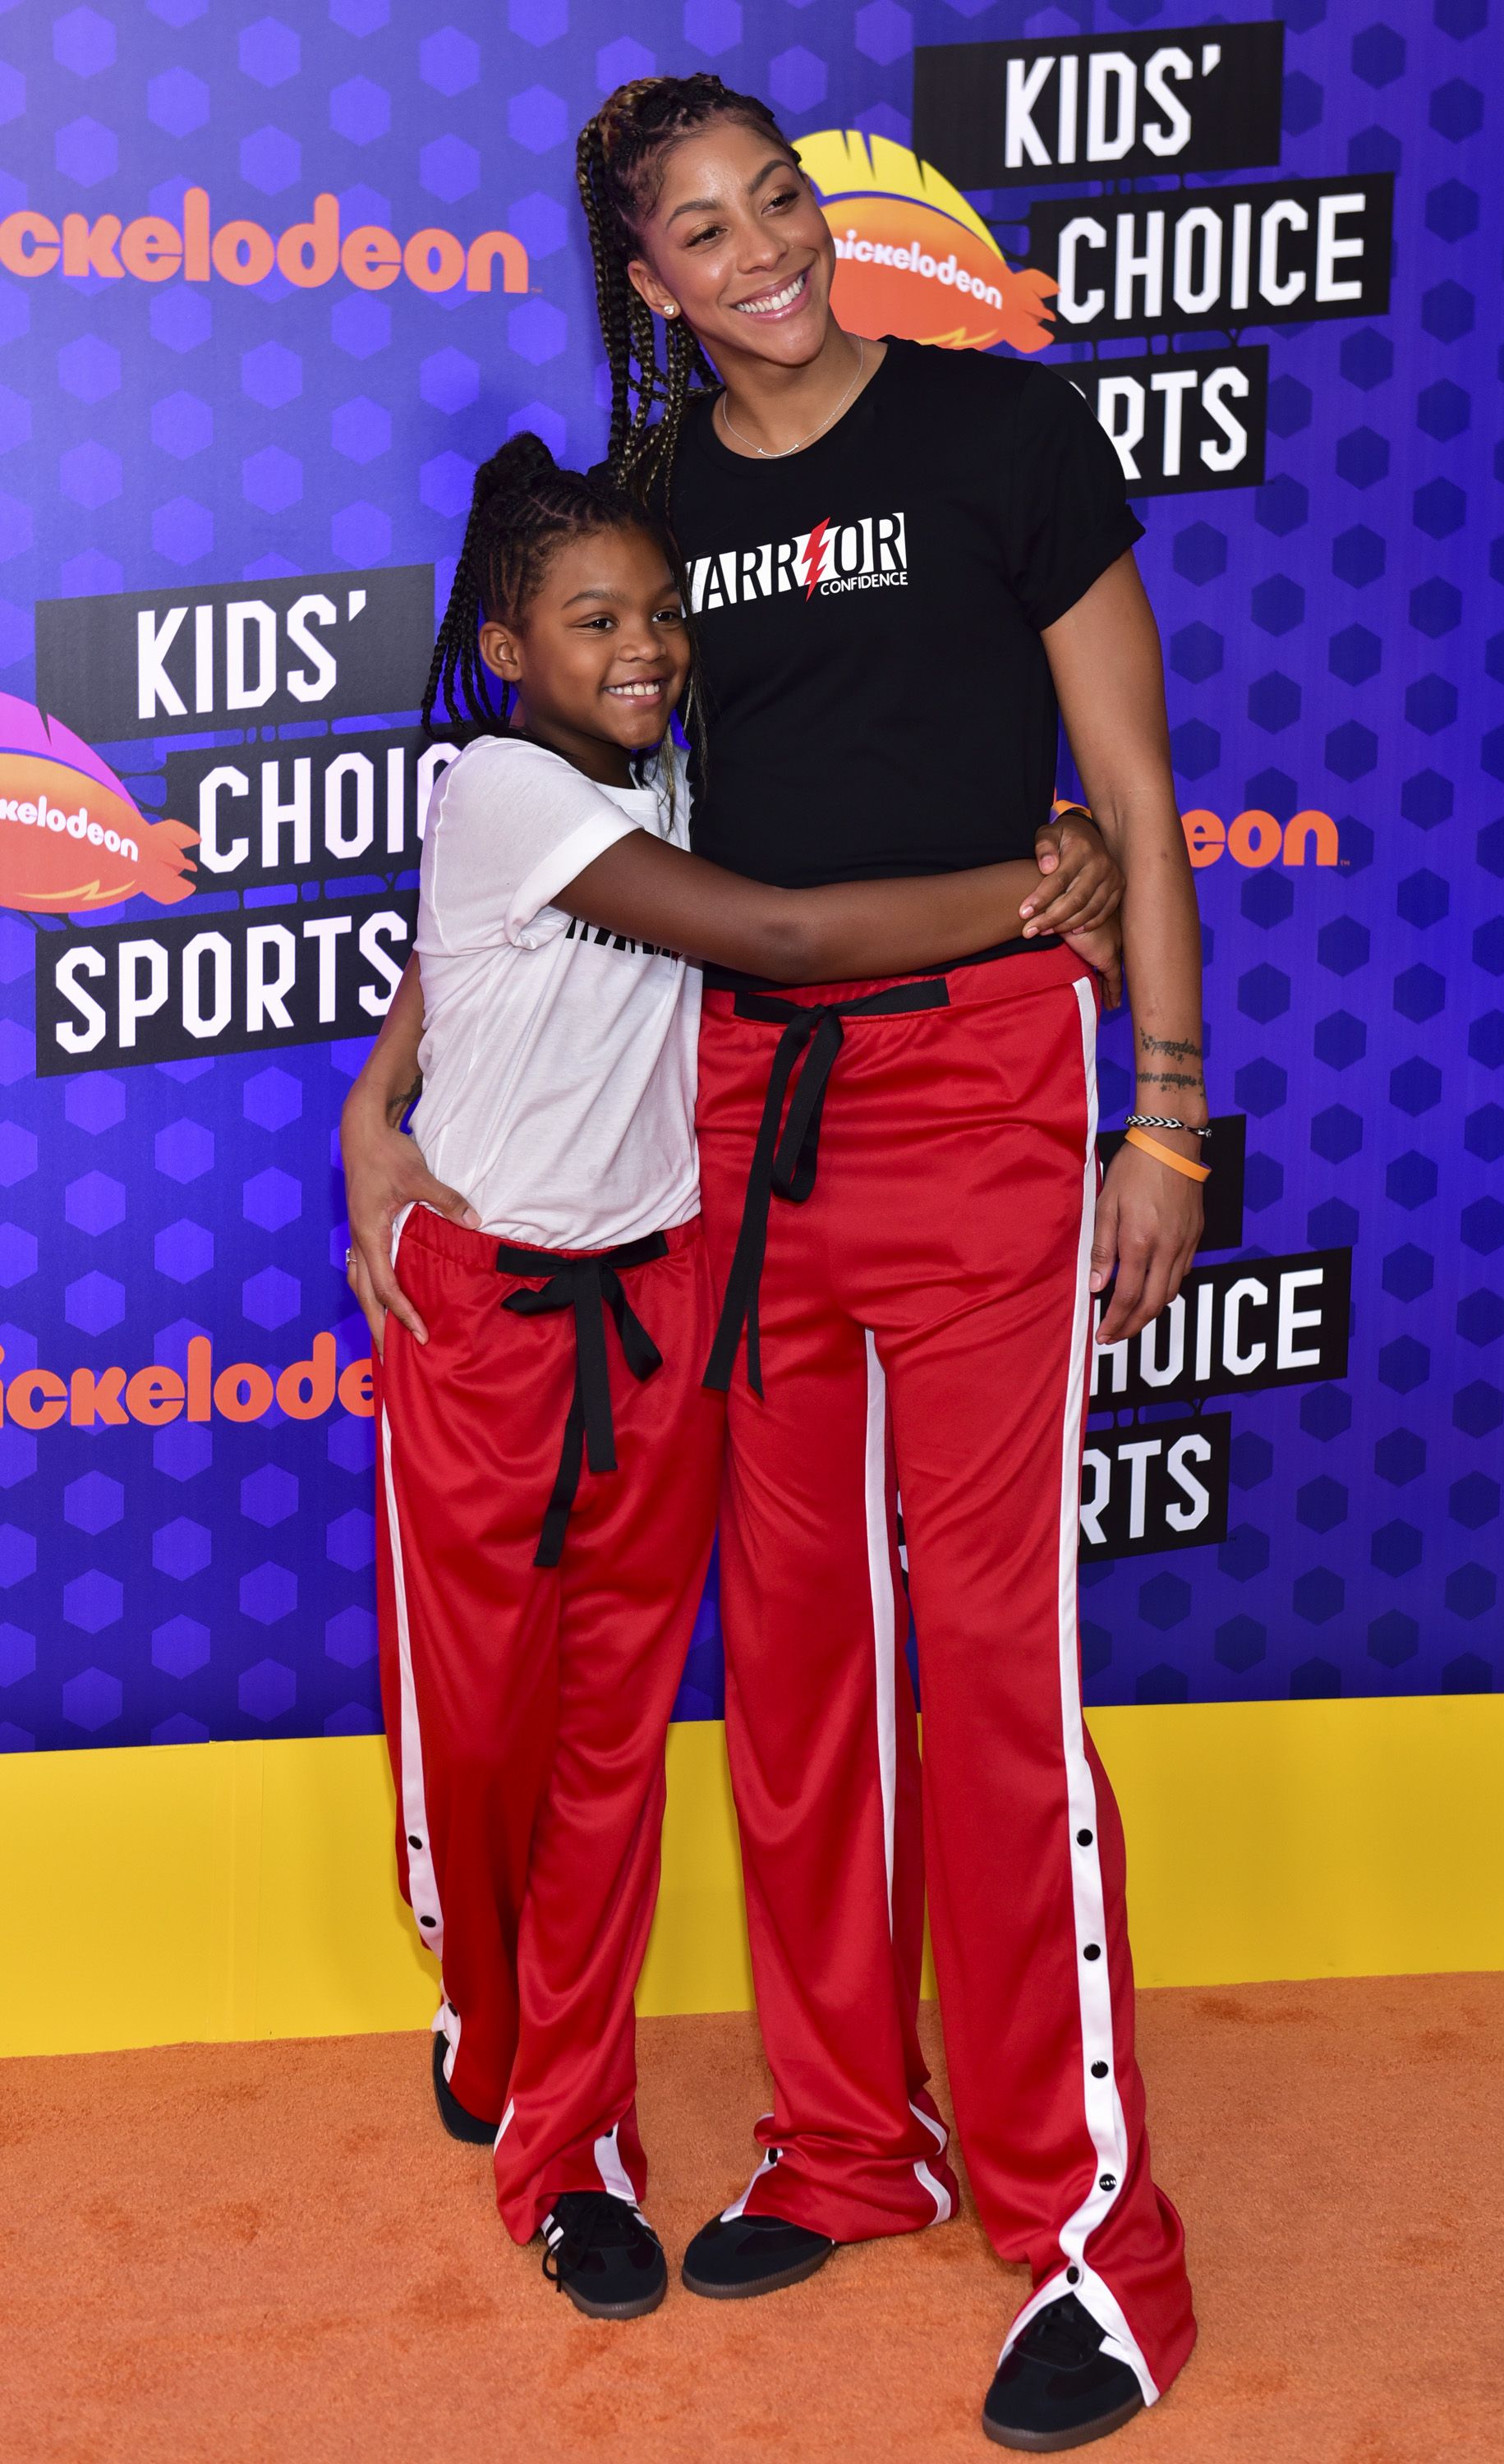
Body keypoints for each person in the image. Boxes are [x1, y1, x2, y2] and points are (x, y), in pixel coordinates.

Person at [347, 68, 1207, 2453]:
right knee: (798, 1673)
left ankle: (1088, 2240)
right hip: (721, 1134)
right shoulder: (642, 526)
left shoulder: (1002, 439)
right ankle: (850, 2136)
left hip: (983, 1102)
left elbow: (1127, 798)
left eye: (782, 204)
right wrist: (385, 1090)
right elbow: (555, 840)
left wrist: (1163, 1103)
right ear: (647, 285)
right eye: (705, 235)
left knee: (987, 1679)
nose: (768, 253)